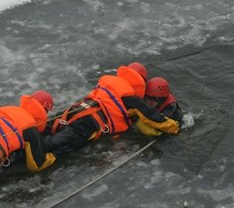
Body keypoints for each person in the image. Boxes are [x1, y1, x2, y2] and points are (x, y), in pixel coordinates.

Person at [44, 62, 180, 155]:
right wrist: (175, 126)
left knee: (46, 126)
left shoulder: (109, 82)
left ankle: (23, 135)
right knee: (50, 146)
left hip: (76, 109)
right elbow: (153, 117)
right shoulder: (132, 98)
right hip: (89, 124)